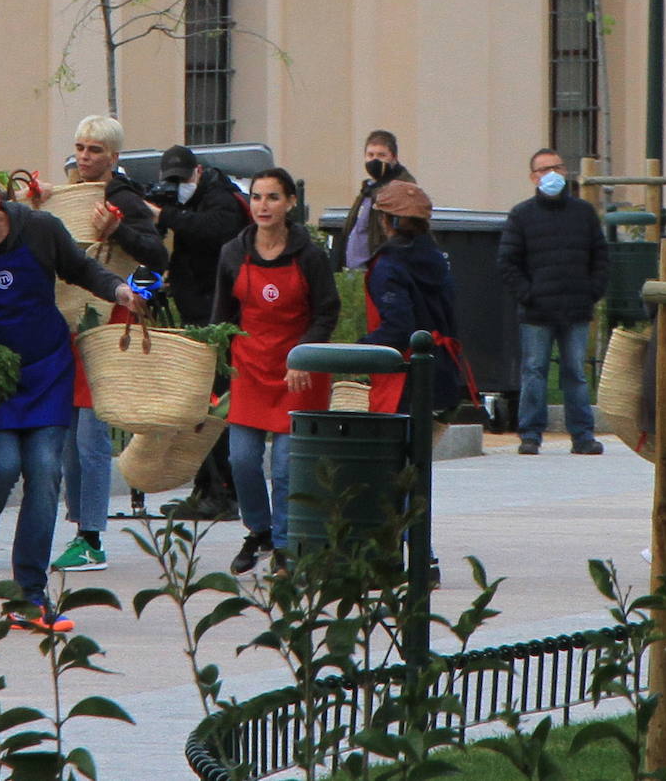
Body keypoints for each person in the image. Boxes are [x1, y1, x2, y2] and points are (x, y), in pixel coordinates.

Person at [0, 163, 146, 631]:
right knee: (1, 467)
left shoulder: (39, 229)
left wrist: (120, 290)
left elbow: (82, 268)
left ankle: (30, 597)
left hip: (47, 370)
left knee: (45, 471)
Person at [52, 116, 166, 574]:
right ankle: (82, 525)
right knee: (70, 441)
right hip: (72, 330)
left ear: (114, 157)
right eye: (80, 147)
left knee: (90, 438)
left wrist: (117, 232)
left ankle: (92, 537)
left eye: (95, 150)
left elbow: (157, 256)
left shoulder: (124, 200)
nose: (84, 157)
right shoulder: (70, 195)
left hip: (106, 328)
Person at [214, 167, 339, 576]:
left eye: (272, 197)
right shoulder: (233, 253)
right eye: (256, 197)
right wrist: (216, 364)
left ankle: (287, 546)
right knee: (242, 459)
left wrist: (304, 355)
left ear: (289, 204)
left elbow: (327, 311)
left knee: (286, 465)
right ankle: (260, 530)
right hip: (249, 368)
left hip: (297, 372)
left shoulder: (310, 255)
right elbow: (223, 317)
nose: (262, 205)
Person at [145, 143, 251, 522]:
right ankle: (205, 486)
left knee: (215, 405)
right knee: (198, 405)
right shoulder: (184, 201)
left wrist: (167, 214)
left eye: (182, 179)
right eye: (171, 182)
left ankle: (224, 491)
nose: (177, 186)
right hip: (194, 313)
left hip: (217, 321)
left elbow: (213, 231)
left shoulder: (220, 199)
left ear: (198, 173)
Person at [497, 148, 608, 456]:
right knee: (534, 371)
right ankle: (530, 435)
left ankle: (583, 436)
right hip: (537, 311)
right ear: (533, 177)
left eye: (556, 167)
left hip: (576, 308)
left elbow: (600, 256)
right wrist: (528, 294)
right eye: (544, 169)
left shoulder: (583, 213)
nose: (552, 174)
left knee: (576, 373)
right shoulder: (521, 215)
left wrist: (592, 291)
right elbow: (507, 262)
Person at [357, 180, 466, 417]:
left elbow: (398, 329)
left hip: (402, 382)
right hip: (444, 374)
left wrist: (359, 350)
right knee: (422, 453)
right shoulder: (438, 259)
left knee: (394, 453)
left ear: (386, 220)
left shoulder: (387, 266)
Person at [337, 130, 415, 270]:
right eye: (370, 155)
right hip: (353, 270)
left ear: (394, 157)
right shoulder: (368, 189)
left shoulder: (403, 187)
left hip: (379, 270)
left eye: (381, 155)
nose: (375, 160)